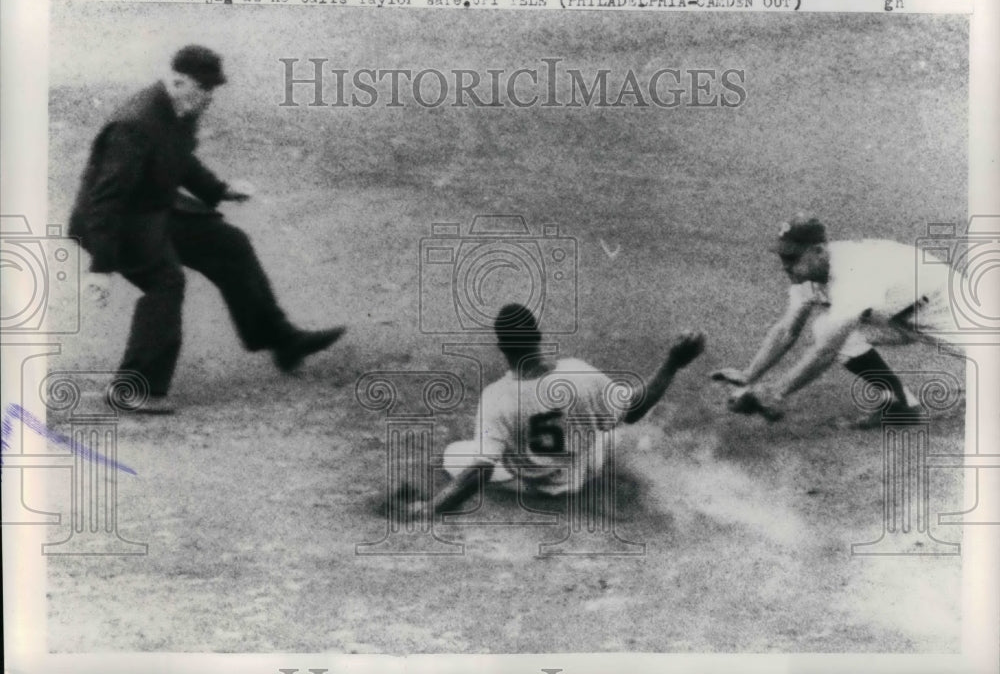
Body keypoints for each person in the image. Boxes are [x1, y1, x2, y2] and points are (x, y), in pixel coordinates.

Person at [68, 45, 345, 414]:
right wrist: (101, 268)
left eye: (212, 89)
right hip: (113, 222)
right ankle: (131, 388)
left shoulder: (179, 109)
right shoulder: (135, 124)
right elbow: (105, 199)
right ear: (178, 81)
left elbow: (178, 159)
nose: (209, 97)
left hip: (153, 211)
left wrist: (218, 191)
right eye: (203, 89)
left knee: (230, 244)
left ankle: (282, 340)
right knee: (165, 281)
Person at [406, 303, 705, 517]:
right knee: (609, 429)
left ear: (502, 347)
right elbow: (635, 409)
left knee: (456, 454)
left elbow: (479, 473)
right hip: (584, 471)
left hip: (533, 485)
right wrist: (673, 362)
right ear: (538, 336)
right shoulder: (579, 372)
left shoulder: (496, 397)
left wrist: (430, 508)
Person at [711, 214, 961, 426]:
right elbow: (787, 330)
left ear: (818, 251)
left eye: (792, 258)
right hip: (895, 316)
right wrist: (749, 374)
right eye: (782, 257)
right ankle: (899, 404)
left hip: (946, 307)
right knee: (824, 327)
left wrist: (777, 392)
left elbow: (826, 351)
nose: (785, 266)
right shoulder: (809, 278)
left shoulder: (851, 273)